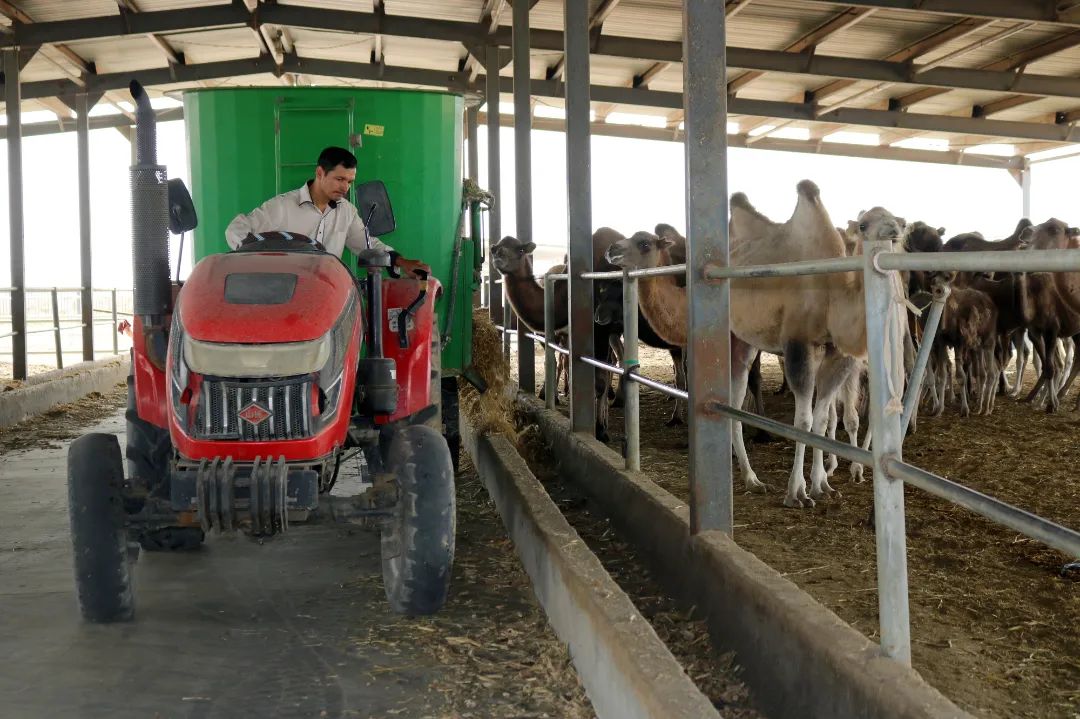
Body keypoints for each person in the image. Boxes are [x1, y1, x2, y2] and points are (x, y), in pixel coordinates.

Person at [225, 146, 428, 275]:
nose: (345, 187)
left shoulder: (347, 211)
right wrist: (256, 262)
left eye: (349, 181)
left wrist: (401, 261)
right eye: (340, 179)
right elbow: (236, 229)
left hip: (328, 295)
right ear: (320, 173)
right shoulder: (283, 206)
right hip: (286, 293)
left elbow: (367, 245)